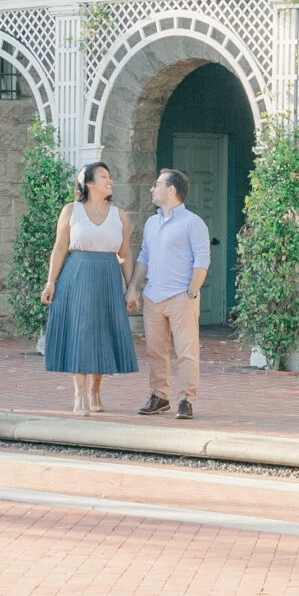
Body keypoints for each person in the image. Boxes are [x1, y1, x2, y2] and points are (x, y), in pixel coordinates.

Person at [41, 161, 139, 414]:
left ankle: (96, 389)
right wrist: (51, 281)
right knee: (80, 333)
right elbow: (60, 248)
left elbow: (125, 254)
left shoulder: (120, 215)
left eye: (110, 176)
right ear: (88, 183)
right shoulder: (71, 211)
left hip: (107, 276)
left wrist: (131, 288)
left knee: (103, 333)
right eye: (104, 176)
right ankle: (79, 393)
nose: (110, 181)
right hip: (76, 275)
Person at [135, 167, 212, 419]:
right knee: (154, 351)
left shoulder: (192, 222)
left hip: (181, 297)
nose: (151, 189)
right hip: (153, 297)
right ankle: (160, 396)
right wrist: (134, 288)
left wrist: (191, 291)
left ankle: (186, 400)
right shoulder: (151, 222)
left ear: (171, 190)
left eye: (157, 184)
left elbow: (202, 259)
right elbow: (144, 257)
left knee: (186, 352)